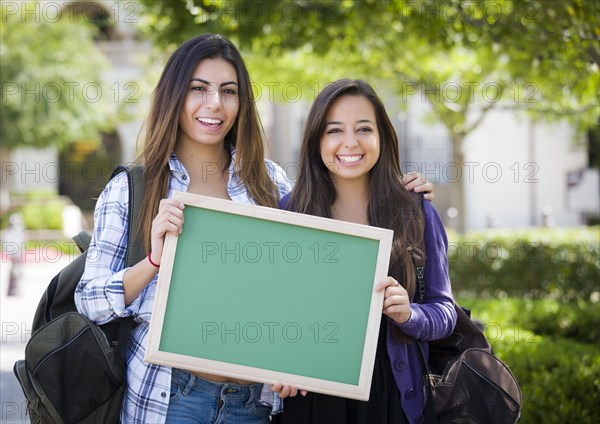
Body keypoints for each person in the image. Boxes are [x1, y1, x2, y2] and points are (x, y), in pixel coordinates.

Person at [75, 34, 434, 424]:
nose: (215, 103)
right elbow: (90, 301)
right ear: (174, 95)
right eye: (199, 88)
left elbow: (311, 287)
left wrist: (399, 190)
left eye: (228, 91)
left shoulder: (270, 184)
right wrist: (153, 261)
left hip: (255, 405)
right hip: (169, 397)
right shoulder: (134, 187)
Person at [270, 79, 457, 424]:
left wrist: (409, 315)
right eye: (335, 130)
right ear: (316, 141)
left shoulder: (415, 212)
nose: (350, 142)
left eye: (364, 129)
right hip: (312, 397)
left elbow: (446, 313)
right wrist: (277, 367)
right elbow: (272, 311)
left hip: (393, 396)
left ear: (382, 137)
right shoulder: (289, 212)